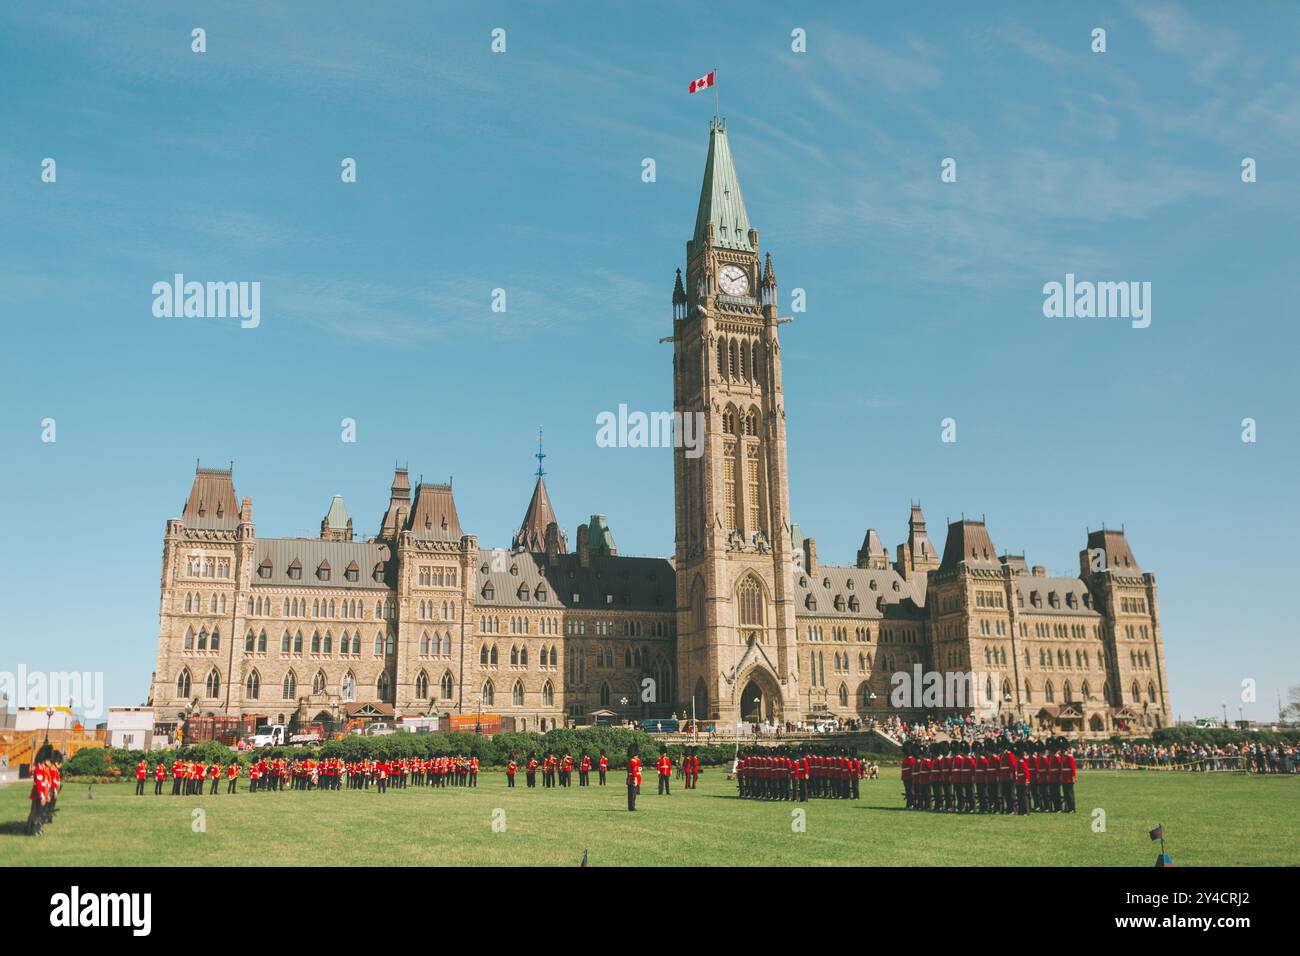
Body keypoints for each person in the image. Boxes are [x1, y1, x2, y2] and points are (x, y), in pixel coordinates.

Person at [626, 744, 641, 811]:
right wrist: (635, 779)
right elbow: (634, 771)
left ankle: (631, 806)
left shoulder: (632, 761)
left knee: (632, 794)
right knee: (632, 794)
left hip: (630, 778)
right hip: (632, 779)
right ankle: (632, 807)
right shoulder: (633, 762)